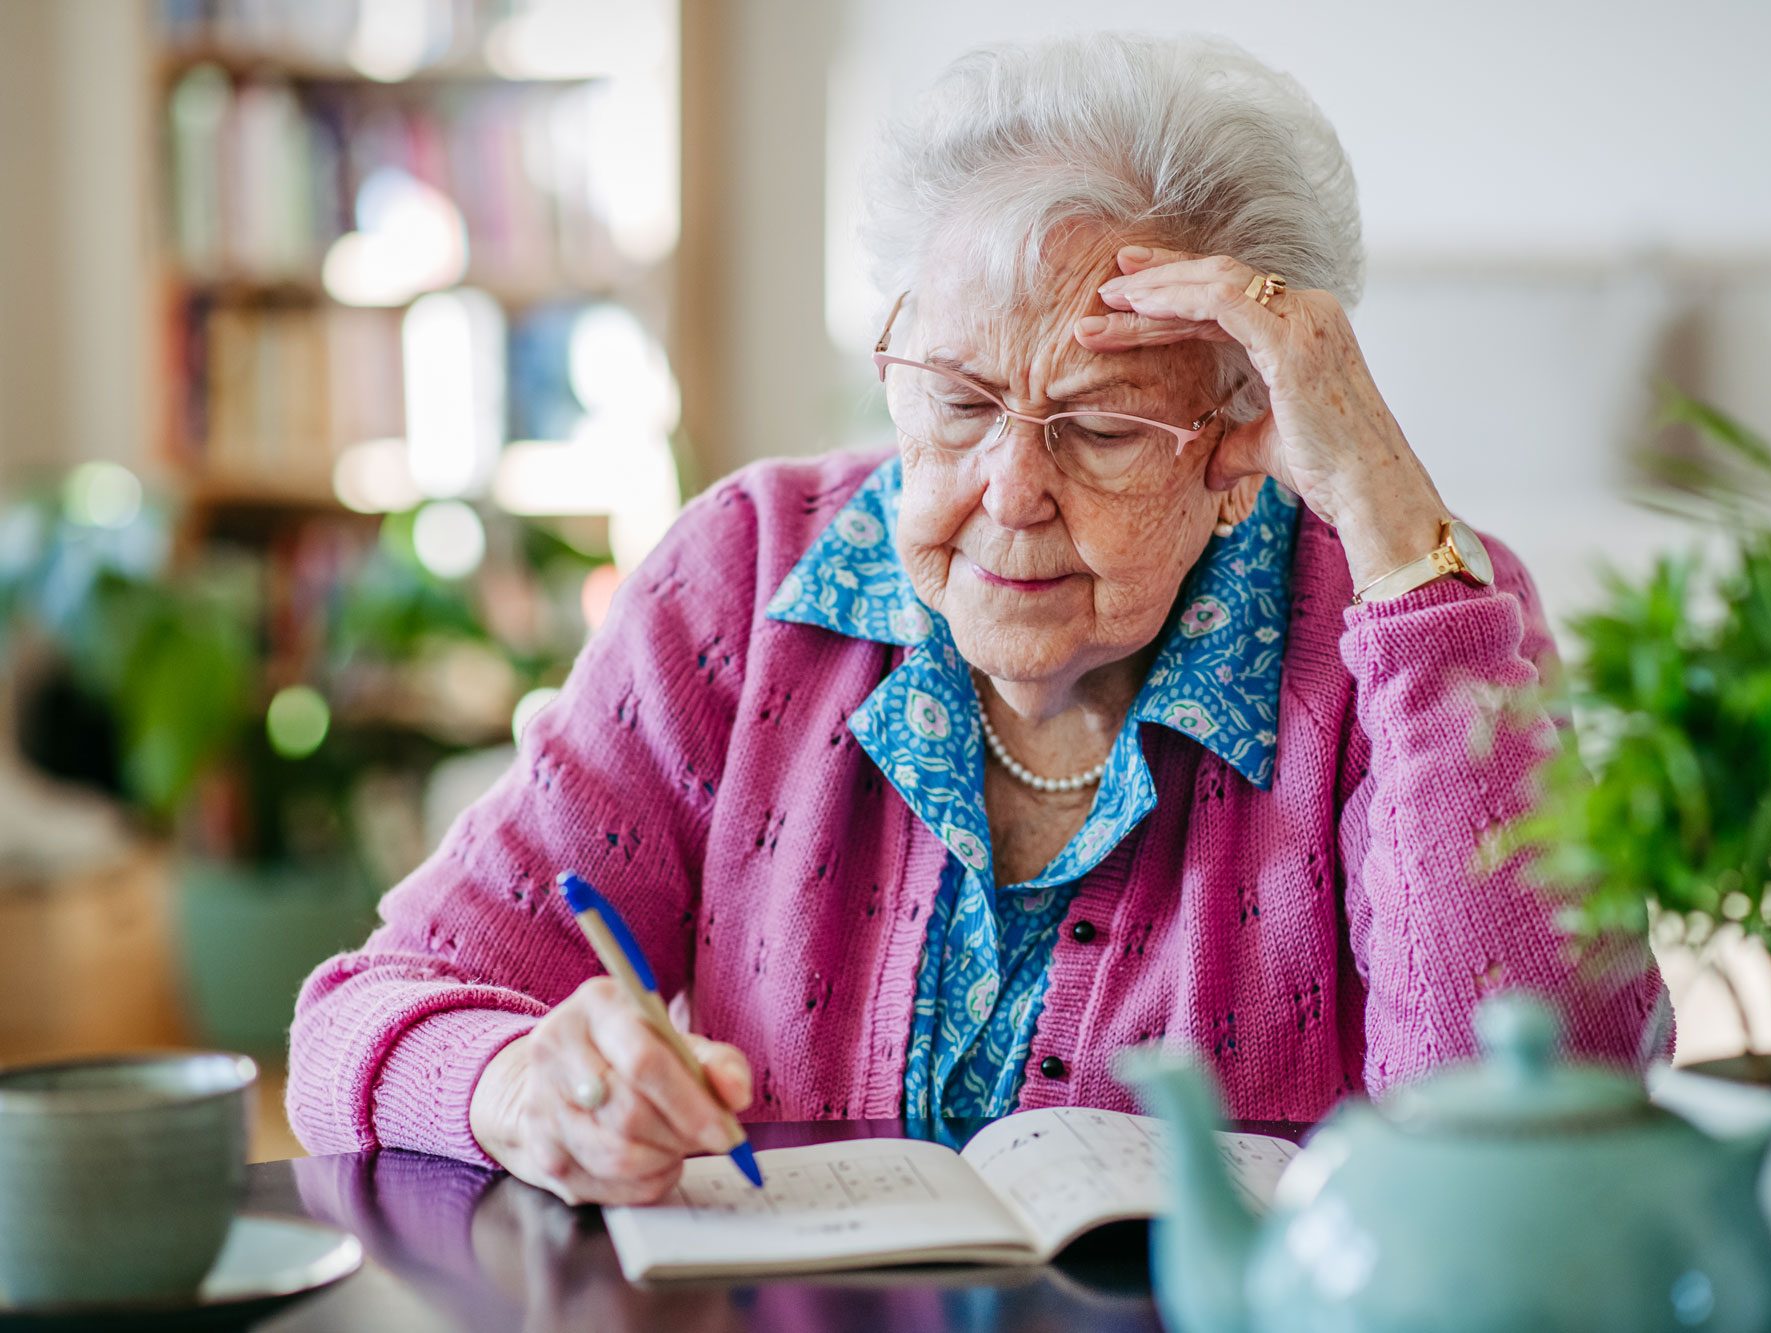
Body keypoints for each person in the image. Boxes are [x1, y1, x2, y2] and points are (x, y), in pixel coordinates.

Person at [288, 31, 1670, 1205]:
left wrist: (1392, 526)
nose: (1010, 491)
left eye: (1101, 427)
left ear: (1241, 439)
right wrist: (519, 1084)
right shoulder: (745, 577)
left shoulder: (1413, 625)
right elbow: (360, 1016)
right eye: (955, 403)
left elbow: (1550, 1132)